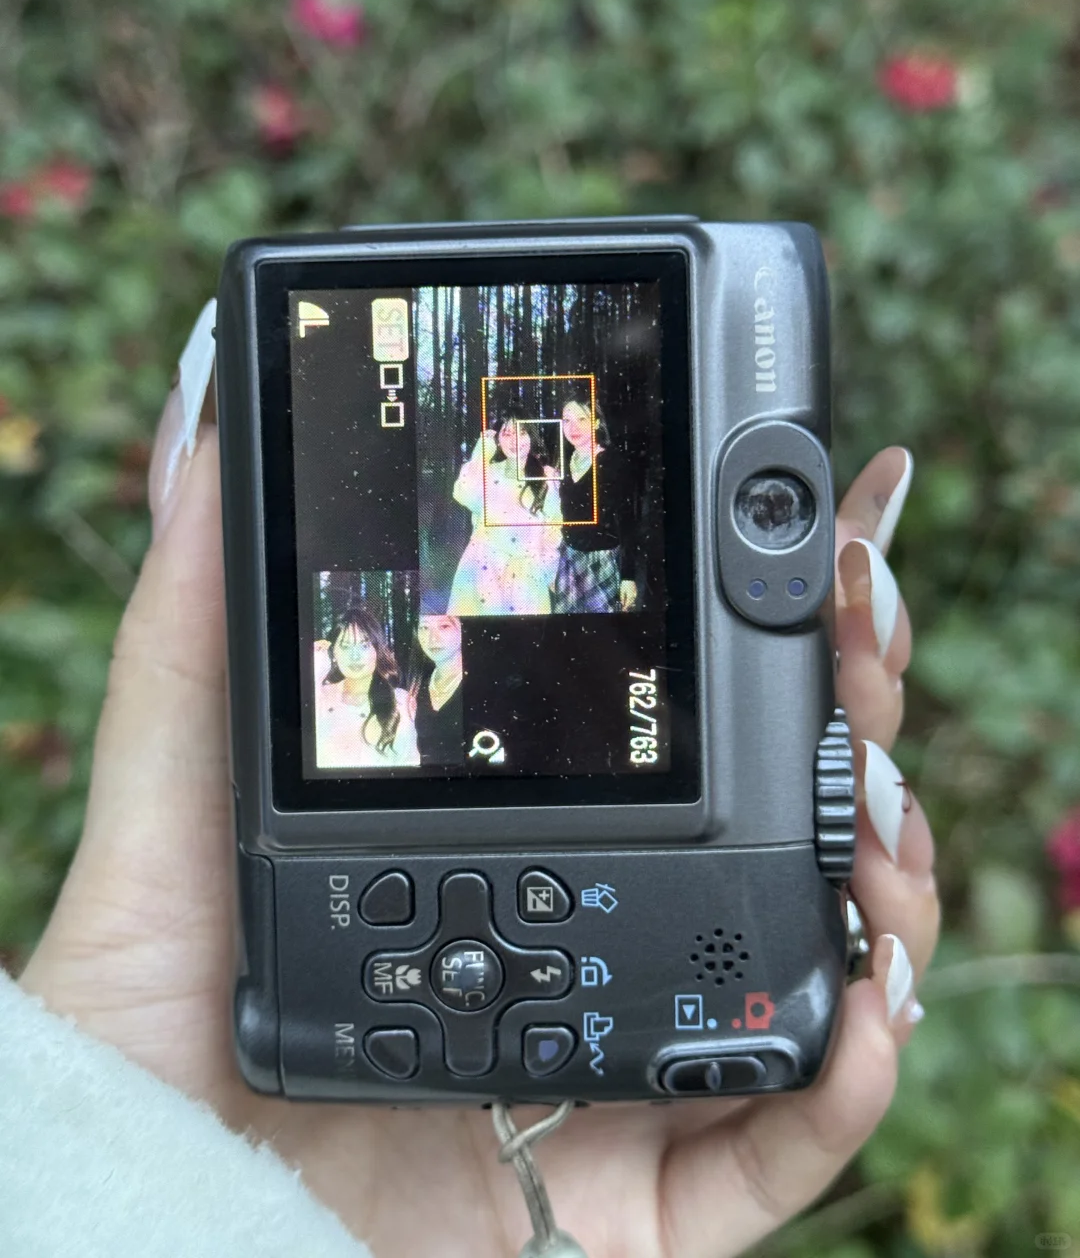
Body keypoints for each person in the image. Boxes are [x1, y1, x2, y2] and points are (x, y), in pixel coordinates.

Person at [11, 309, 936, 1256]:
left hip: (529, 619)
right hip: (490, 605)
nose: (537, 446)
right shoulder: (482, 487)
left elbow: (567, 528)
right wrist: (132, 1134)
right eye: (531, 435)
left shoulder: (559, 509)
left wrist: (127, 1152)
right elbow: (468, 496)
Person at [448, 404, 562, 616]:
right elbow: (463, 493)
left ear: (532, 436)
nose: (514, 440)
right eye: (507, 433)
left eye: (522, 432)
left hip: (527, 576)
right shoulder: (488, 473)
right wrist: (482, 452)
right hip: (483, 571)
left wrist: (544, 567)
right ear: (498, 439)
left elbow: (554, 527)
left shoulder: (547, 477)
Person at [553, 392, 639, 614]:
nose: (573, 427)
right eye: (567, 420)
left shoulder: (613, 462)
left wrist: (628, 577)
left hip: (602, 562)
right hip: (568, 559)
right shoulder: (561, 463)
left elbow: (628, 522)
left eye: (582, 419)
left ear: (597, 422)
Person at [314, 606, 420, 768]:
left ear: (377, 651)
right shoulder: (319, 697)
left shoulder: (401, 700)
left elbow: (409, 763)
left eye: (364, 646)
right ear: (333, 653)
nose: (355, 656)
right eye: (345, 646)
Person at [409, 613, 464, 765]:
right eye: (424, 627)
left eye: (444, 626)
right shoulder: (414, 688)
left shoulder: (485, 682)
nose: (432, 638)